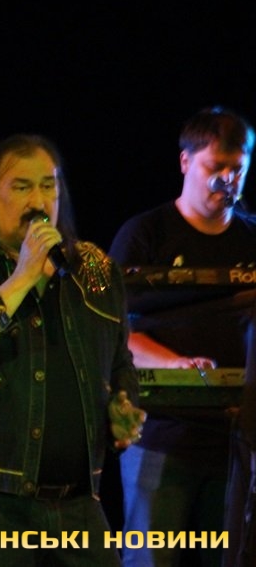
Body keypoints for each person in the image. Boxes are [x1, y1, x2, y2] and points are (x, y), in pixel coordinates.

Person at [0, 133, 145, 566]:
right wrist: (22, 277)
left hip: (79, 498)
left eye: (48, 186)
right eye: (22, 187)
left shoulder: (95, 269)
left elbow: (120, 360)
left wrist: (123, 402)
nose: (38, 201)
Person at [109, 106, 256, 567]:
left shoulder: (251, 239)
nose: (227, 179)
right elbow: (112, 331)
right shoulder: (145, 235)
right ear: (185, 161)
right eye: (217, 166)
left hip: (234, 440)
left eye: (238, 169)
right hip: (161, 434)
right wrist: (175, 365)